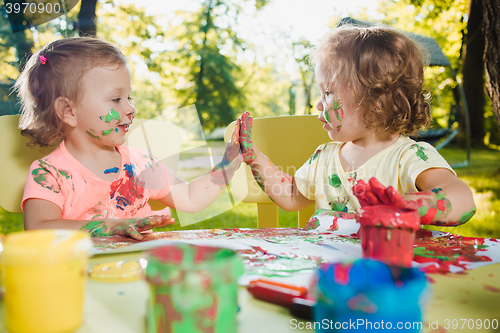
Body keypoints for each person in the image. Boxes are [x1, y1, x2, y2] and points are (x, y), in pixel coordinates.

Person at [238, 25, 476, 228]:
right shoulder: (324, 158)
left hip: (387, 273)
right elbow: (291, 195)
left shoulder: (408, 157)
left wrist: (409, 205)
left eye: (328, 92)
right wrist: (255, 158)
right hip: (333, 272)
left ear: (374, 99)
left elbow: (462, 198)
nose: (319, 104)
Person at [16, 37, 242, 240]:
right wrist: (109, 226)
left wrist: (229, 164)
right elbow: (38, 228)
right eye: (116, 99)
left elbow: (191, 197)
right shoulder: (48, 173)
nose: (130, 107)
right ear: (69, 111)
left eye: (129, 96)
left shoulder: (141, 165)